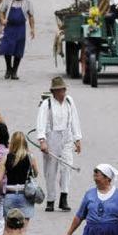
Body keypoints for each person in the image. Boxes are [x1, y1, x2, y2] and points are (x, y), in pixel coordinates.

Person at [36, 77, 82, 212]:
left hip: (66, 137)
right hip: (52, 137)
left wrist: (77, 139)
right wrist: (42, 140)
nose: (62, 93)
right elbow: (41, 122)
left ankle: (64, 197)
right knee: (50, 170)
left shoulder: (69, 101)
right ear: (54, 91)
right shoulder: (47, 104)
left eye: (63, 90)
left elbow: (75, 119)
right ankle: (50, 199)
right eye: (59, 90)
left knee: (67, 166)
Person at [0, 132, 39, 224]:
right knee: (23, 228)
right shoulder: (30, 157)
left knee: (8, 228)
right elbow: (36, 173)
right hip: (25, 194)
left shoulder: (6, 157)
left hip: (10, 193)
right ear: (25, 143)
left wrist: (1, 191)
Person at [0, 0, 35, 80]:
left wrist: (32, 29)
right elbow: (1, 11)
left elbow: (31, 15)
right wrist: (2, 20)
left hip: (20, 27)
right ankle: (8, 69)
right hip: (9, 27)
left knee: (18, 49)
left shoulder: (27, 0)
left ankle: (14, 71)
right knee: (7, 48)